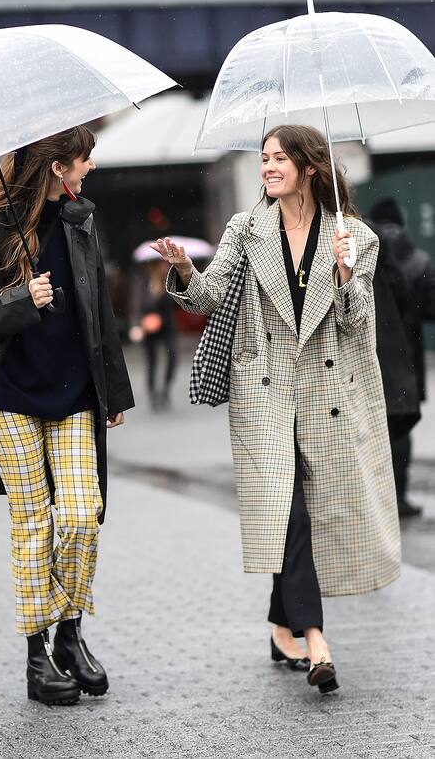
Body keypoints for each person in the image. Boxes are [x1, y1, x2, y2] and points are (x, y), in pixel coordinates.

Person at [153, 125, 400, 694]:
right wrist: (186, 269)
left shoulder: (354, 235)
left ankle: (280, 625)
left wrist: (344, 273)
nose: (267, 167)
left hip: (328, 396)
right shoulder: (247, 228)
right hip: (264, 393)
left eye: (278, 159)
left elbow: (358, 323)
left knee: (306, 515)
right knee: (288, 515)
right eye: (263, 158)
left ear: (309, 167)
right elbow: (210, 297)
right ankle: (316, 640)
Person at [0, 126, 135, 706]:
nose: (90, 168)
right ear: (58, 165)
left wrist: (113, 392)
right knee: (34, 524)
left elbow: (100, 315)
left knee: (82, 514)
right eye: (84, 158)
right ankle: (38, 656)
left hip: (72, 394)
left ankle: (71, 634)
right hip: (10, 397)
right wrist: (23, 300)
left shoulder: (80, 222)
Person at [369, 197, 435, 517]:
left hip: (371, 354)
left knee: (371, 428)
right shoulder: (420, 261)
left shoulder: (361, 249)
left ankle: (376, 497)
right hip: (406, 359)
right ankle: (399, 496)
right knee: (401, 429)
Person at [129, 259, 178, 409]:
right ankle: (152, 394)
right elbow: (136, 306)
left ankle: (165, 389)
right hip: (148, 328)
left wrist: (168, 287)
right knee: (151, 361)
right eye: (162, 264)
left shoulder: (170, 282)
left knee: (172, 357)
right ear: (153, 266)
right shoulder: (142, 283)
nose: (165, 267)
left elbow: (177, 304)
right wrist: (136, 325)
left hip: (167, 327)